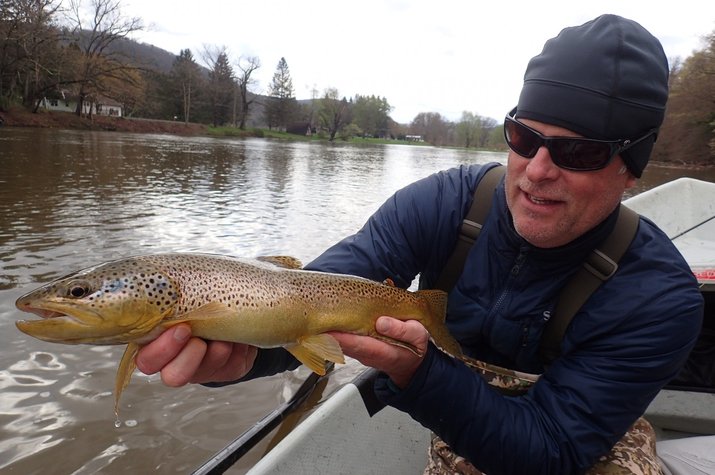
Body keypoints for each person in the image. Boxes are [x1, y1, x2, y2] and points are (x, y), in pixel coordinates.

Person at [136, 14, 704, 475]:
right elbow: (314, 292)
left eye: (578, 154)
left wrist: (419, 373)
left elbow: (550, 452)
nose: (536, 170)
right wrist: (241, 355)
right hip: (458, 419)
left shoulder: (659, 297)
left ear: (632, 170)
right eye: (523, 137)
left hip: (580, 444)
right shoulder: (445, 204)